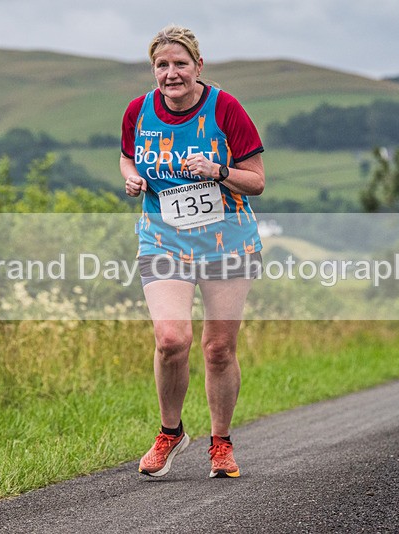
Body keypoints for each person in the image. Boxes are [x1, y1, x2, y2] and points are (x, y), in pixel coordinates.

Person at [120, 25, 265, 478]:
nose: (171, 73)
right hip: (163, 237)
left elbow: (257, 180)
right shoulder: (138, 110)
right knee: (171, 340)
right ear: (154, 71)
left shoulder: (225, 108)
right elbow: (127, 154)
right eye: (162, 65)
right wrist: (131, 176)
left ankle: (220, 444)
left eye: (180, 63)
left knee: (218, 348)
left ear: (198, 66)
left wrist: (218, 170)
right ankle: (170, 432)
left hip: (227, 241)